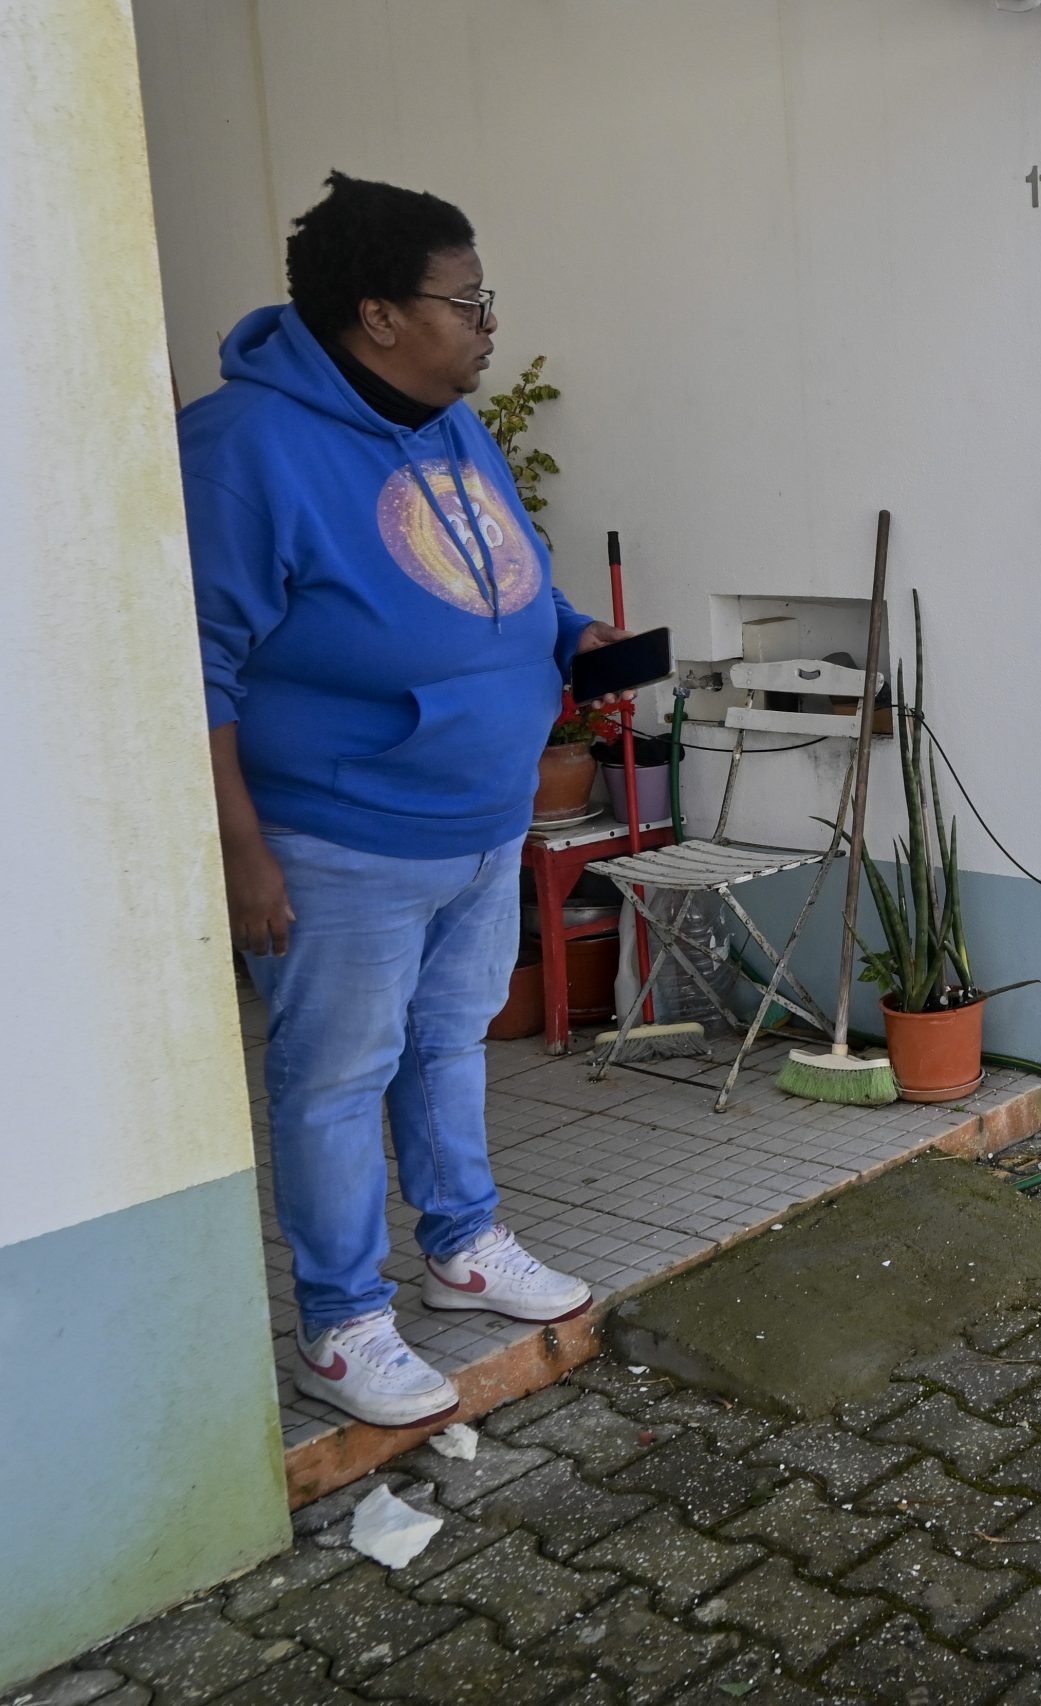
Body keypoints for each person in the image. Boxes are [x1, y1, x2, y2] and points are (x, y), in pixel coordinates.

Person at [183, 173, 620, 1428]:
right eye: (467, 300)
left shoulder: (448, 423)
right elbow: (192, 666)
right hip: (337, 840)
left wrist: (579, 634)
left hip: (478, 825)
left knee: (447, 1043)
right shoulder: (240, 450)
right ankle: (339, 1317)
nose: (488, 323)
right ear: (379, 314)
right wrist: (243, 853)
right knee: (331, 1077)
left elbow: (511, 583)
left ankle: (464, 1241)